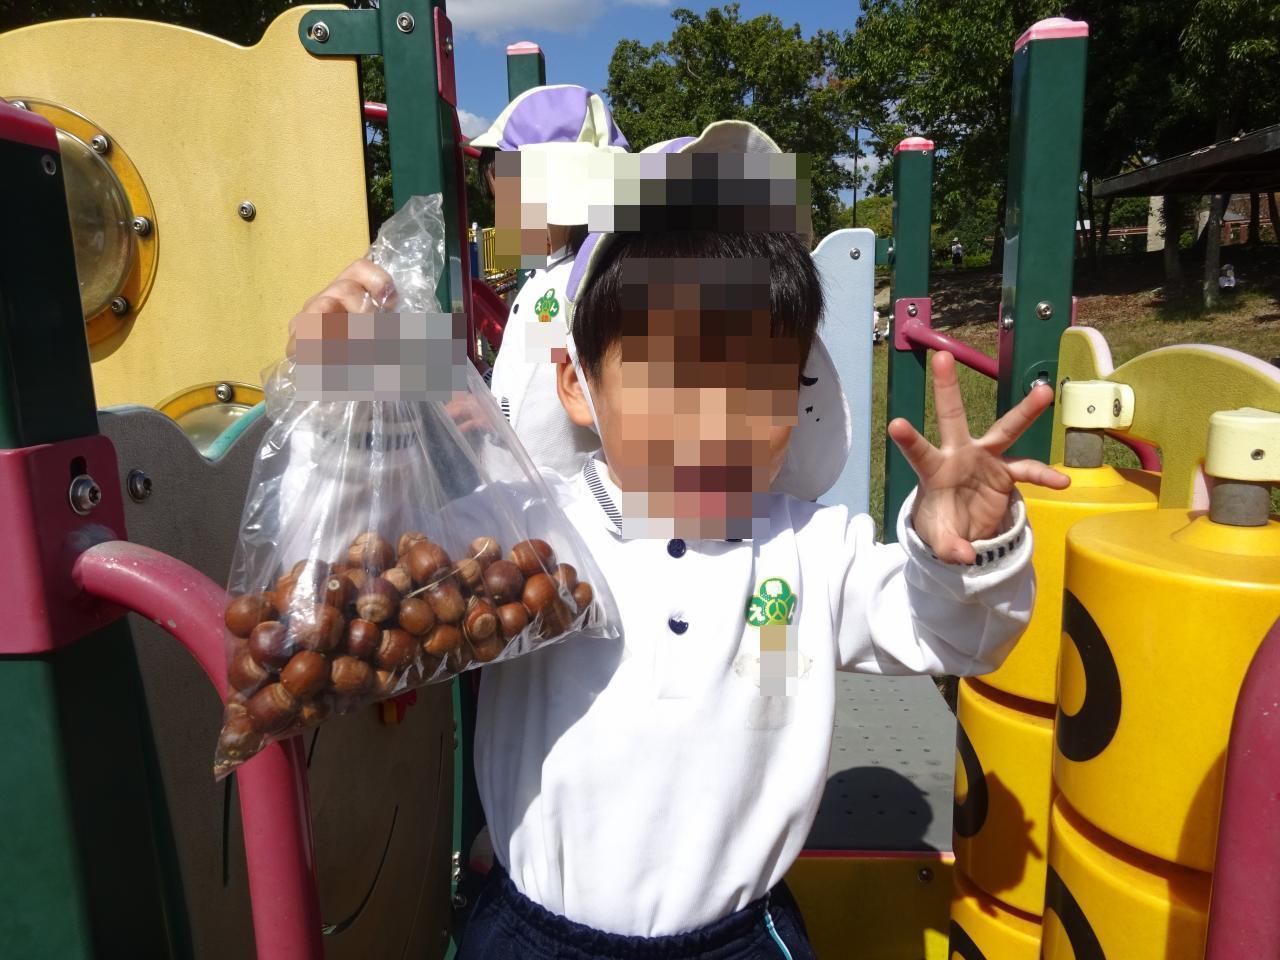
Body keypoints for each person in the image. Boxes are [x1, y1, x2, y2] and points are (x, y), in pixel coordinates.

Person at [291, 119, 1068, 959]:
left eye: (763, 381)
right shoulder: (523, 531)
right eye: (674, 374)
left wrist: (968, 550)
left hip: (738, 938)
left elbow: (951, 636)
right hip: (535, 934)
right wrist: (341, 425)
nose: (719, 420)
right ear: (578, 385)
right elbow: (343, 604)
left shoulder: (813, 549)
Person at [469, 86, 631, 479]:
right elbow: (537, 369)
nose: (504, 218)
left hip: (563, 493)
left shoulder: (591, 283)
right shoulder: (547, 276)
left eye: (509, 199)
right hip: (521, 487)